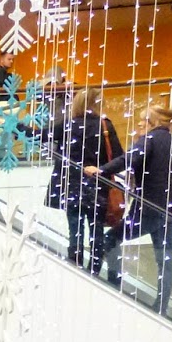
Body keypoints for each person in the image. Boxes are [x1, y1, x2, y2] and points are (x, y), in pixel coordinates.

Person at [90, 103, 172, 315]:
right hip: (170, 212)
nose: (140, 124)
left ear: (152, 122)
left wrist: (102, 170)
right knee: (164, 260)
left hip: (148, 208)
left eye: (144, 120)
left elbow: (128, 159)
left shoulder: (150, 140)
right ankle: (161, 306)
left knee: (111, 239)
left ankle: (113, 280)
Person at [46, 87, 123, 276]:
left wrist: (13, 126)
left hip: (71, 187)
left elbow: (39, 134)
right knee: (96, 232)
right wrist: (102, 169)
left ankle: (75, 269)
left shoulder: (67, 125)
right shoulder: (104, 126)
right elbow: (119, 158)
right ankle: (94, 272)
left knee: (75, 232)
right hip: (97, 187)